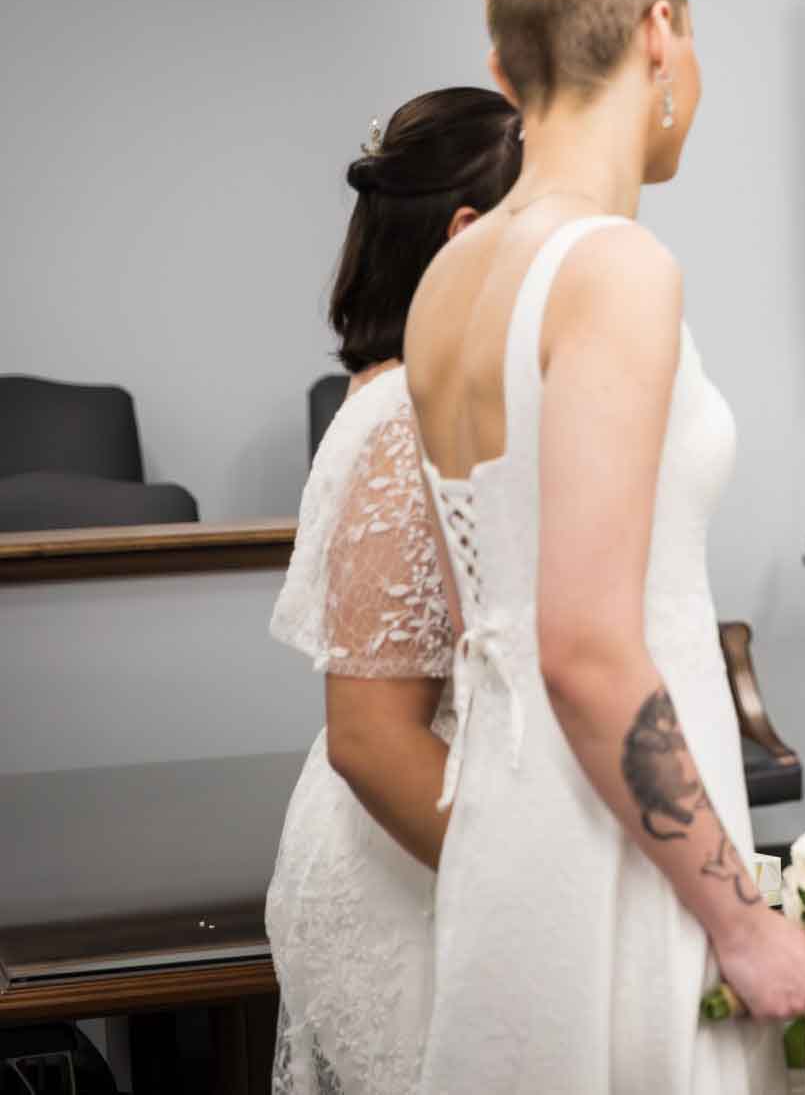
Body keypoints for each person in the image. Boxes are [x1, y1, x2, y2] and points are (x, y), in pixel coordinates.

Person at [402, 0, 805, 1094]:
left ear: (503, 64)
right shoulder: (615, 268)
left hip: (506, 829)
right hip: (619, 849)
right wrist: (744, 919)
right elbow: (586, 646)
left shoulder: (447, 277)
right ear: (661, 33)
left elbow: (474, 607)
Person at [265, 87, 524, 1095]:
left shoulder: (408, 398)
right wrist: (527, 888)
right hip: (415, 867)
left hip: (429, 848)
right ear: (466, 235)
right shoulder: (403, 420)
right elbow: (370, 737)